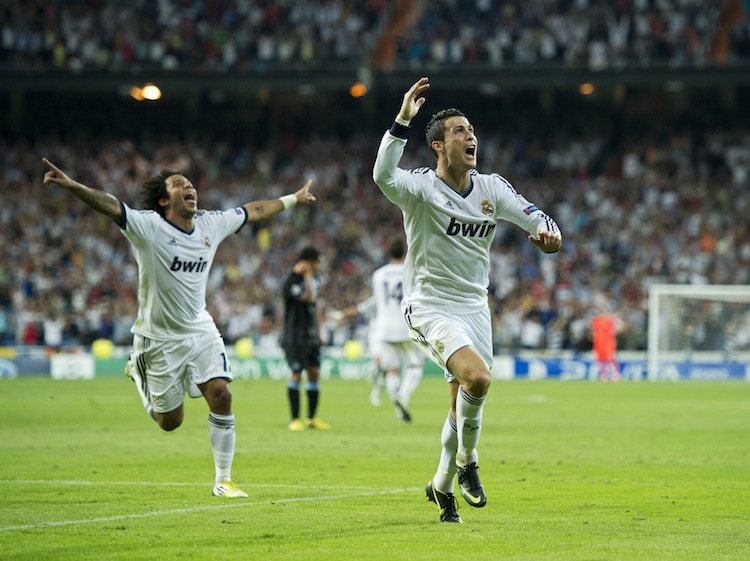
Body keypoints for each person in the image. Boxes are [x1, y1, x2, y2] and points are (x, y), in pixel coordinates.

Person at [41, 157, 316, 498]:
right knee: (170, 422)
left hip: (199, 328)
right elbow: (112, 206)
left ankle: (223, 480)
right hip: (157, 337)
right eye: (179, 185)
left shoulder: (209, 225)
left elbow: (253, 210)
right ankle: (139, 372)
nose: (190, 188)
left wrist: (293, 198)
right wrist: (73, 186)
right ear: (162, 199)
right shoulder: (148, 227)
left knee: (222, 394)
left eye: (191, 184)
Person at [372, 77, 562, 523]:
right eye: (459, 131)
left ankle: (440, 486)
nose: (470, 135)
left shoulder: (491, 188)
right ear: (438, 146)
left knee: (461, 397)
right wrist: (402, 120)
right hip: (430, 305)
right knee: (477, 380)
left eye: (472, 129)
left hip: (476, 308)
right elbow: (382, 175)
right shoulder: (419, 189)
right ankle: (468, 464)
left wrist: (550, 236)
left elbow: (536, 216)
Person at [332, 237, 424, 422]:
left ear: (388, 252)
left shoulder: (379, 274)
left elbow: (378, 301)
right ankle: (403, 396)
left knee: (391, 370)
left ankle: (399, 410)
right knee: (415, 366)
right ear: (405, 252)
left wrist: (350, 311)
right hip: (404, 327)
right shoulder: (411, 272)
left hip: (382, 329)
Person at [281, 246, 331, 431]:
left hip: (311, 336)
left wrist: (320, 331)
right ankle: (295, 419)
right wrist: (308, 277)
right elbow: (309, 298)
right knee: (296, 374)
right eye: (318, 261)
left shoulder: (314, 280)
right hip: (294, 336)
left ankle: (311, 418)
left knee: (314, 373)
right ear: (309, 262)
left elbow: (315, 304)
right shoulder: (291, 281)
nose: (320, 265)